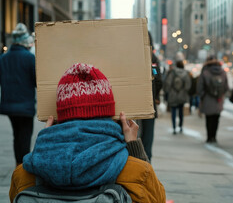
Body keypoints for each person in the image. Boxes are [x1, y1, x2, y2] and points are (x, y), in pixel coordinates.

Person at [9, 63, 166, 203]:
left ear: (58, 119)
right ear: (110, 116)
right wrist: (134, 148)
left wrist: (45, 143)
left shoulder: (23, 175)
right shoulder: (136, 172)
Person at [0, 23, 36, 166]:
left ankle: (18, 164)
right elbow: (36, 82)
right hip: (26, 106)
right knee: (25, 136)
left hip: (9, 106)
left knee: (17, 135)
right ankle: (23, 167)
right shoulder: (29, 58)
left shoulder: (3, 59)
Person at [139, 32, 162, 162]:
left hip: (132, 106)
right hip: (149, 105)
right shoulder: (153, 58)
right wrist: (155, 95)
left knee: (131, 139)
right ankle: (146, 168)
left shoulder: (130, 57)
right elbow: (159, 80)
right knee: (147, 141)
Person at [197, 55, 228, 143]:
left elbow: (200, 87)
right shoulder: (222, 72)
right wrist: (220, 94)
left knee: (208, 118)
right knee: (216, 118)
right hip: (218, 100)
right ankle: (214, 136)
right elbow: (226, 87)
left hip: (207, 98)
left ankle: (209, 136)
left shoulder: (205, 72)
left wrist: (202, 95)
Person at [164, 60, 191, 134]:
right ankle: (181, 126)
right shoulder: (186, 74)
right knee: (181, 112)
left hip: (173, 95)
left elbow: (168, 83)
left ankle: (174, 127)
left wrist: (167, 92)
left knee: (173, 112)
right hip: (182, 95)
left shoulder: (172, 73)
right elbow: (188, 86)